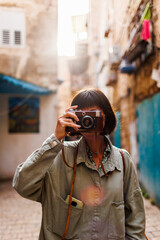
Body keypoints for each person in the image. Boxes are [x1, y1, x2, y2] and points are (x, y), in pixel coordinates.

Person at [13, 88, 146, 240]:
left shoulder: (123, 160)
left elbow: (135, 219)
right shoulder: (59, 156)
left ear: (106, 117)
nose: (88, 120)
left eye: (93, 115)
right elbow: (21, 184)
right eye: (83, 115)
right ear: (73, 118)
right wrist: (55, 139)